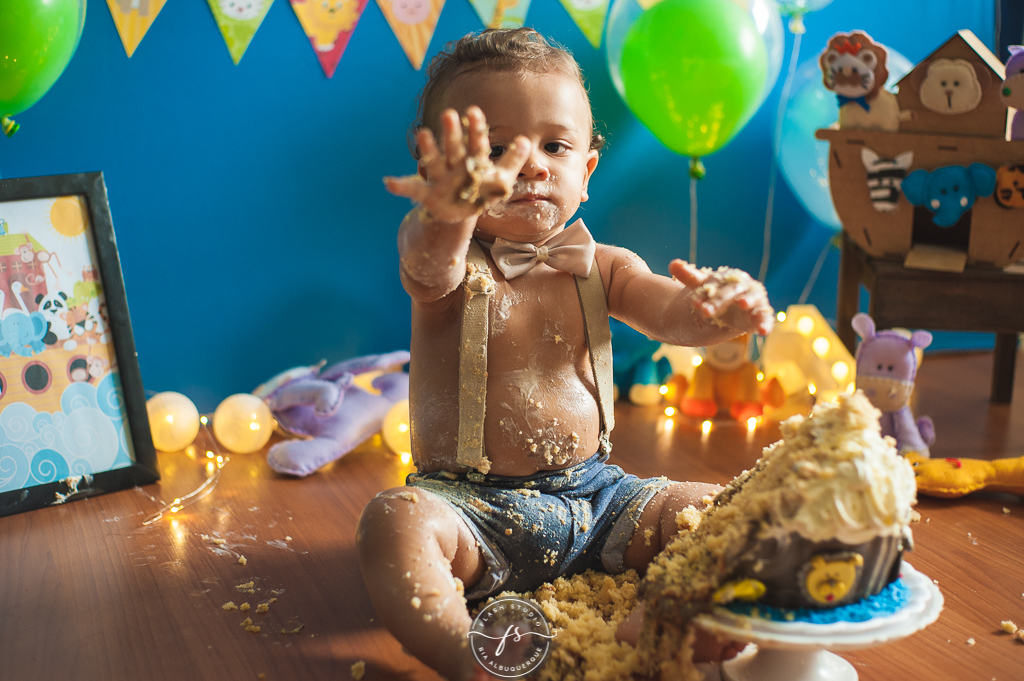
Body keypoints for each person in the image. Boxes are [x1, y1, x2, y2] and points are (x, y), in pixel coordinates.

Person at [357, 28, 774, 681]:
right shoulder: (448, 266)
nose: (531, 165)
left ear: (586, 170)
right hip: (471, 508)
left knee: (720, 507)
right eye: (497, 150)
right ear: (436, 165)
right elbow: (425, 257)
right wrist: (445, 213)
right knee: (393, 523)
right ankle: (461, 651)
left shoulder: (602, 265)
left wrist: (717, 312)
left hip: (599, 499)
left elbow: (668, 309)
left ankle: (667, 618)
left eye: (555, 145)